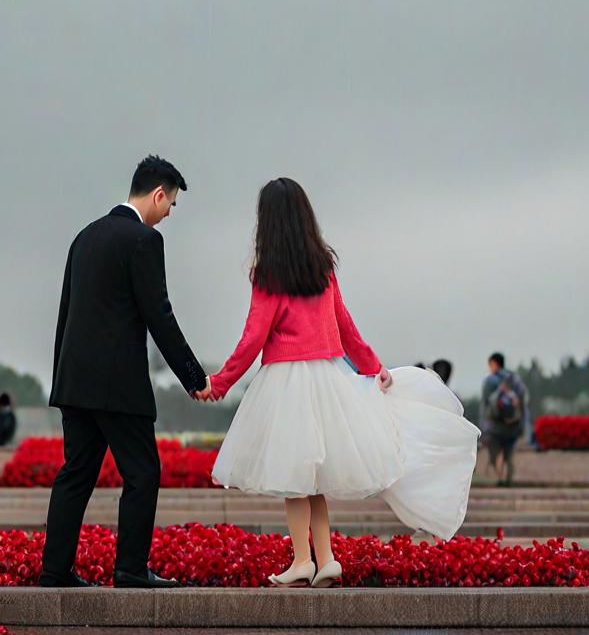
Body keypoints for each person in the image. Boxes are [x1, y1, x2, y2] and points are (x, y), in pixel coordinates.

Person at [208, 177, 480, 588]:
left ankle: (303, 560)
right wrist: (373, 366)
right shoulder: (323, 267)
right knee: (312, 478)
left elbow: (253, 336)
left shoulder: (268, 274)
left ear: (266, 222)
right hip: (327, 376)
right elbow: (345, 324)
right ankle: (327, 559)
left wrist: (222, 381)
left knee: (294, 479)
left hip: (286, 382)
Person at [42, 156, 213, 590]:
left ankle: (55, 571)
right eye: (171, 205)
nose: (169, 214)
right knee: (143, 474)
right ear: (158, 194)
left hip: (74, 383)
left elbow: (67, 314)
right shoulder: (143, 241)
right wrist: (194, 376)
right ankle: (131, 570)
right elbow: (160, 316)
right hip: (119, 387)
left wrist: (61, 379)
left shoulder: (84, 237)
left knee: (75, 474)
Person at [481, 352, 528, 486]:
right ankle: (508, 479)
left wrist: (482, 427)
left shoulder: (489, 381)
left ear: (494, 364)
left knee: (494, 454)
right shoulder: (515, 380)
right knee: (508, 456)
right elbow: (523, 403)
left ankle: (499, 478)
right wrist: (522, 426)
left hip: (494, 428)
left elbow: (484, 406)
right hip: (512, 426)